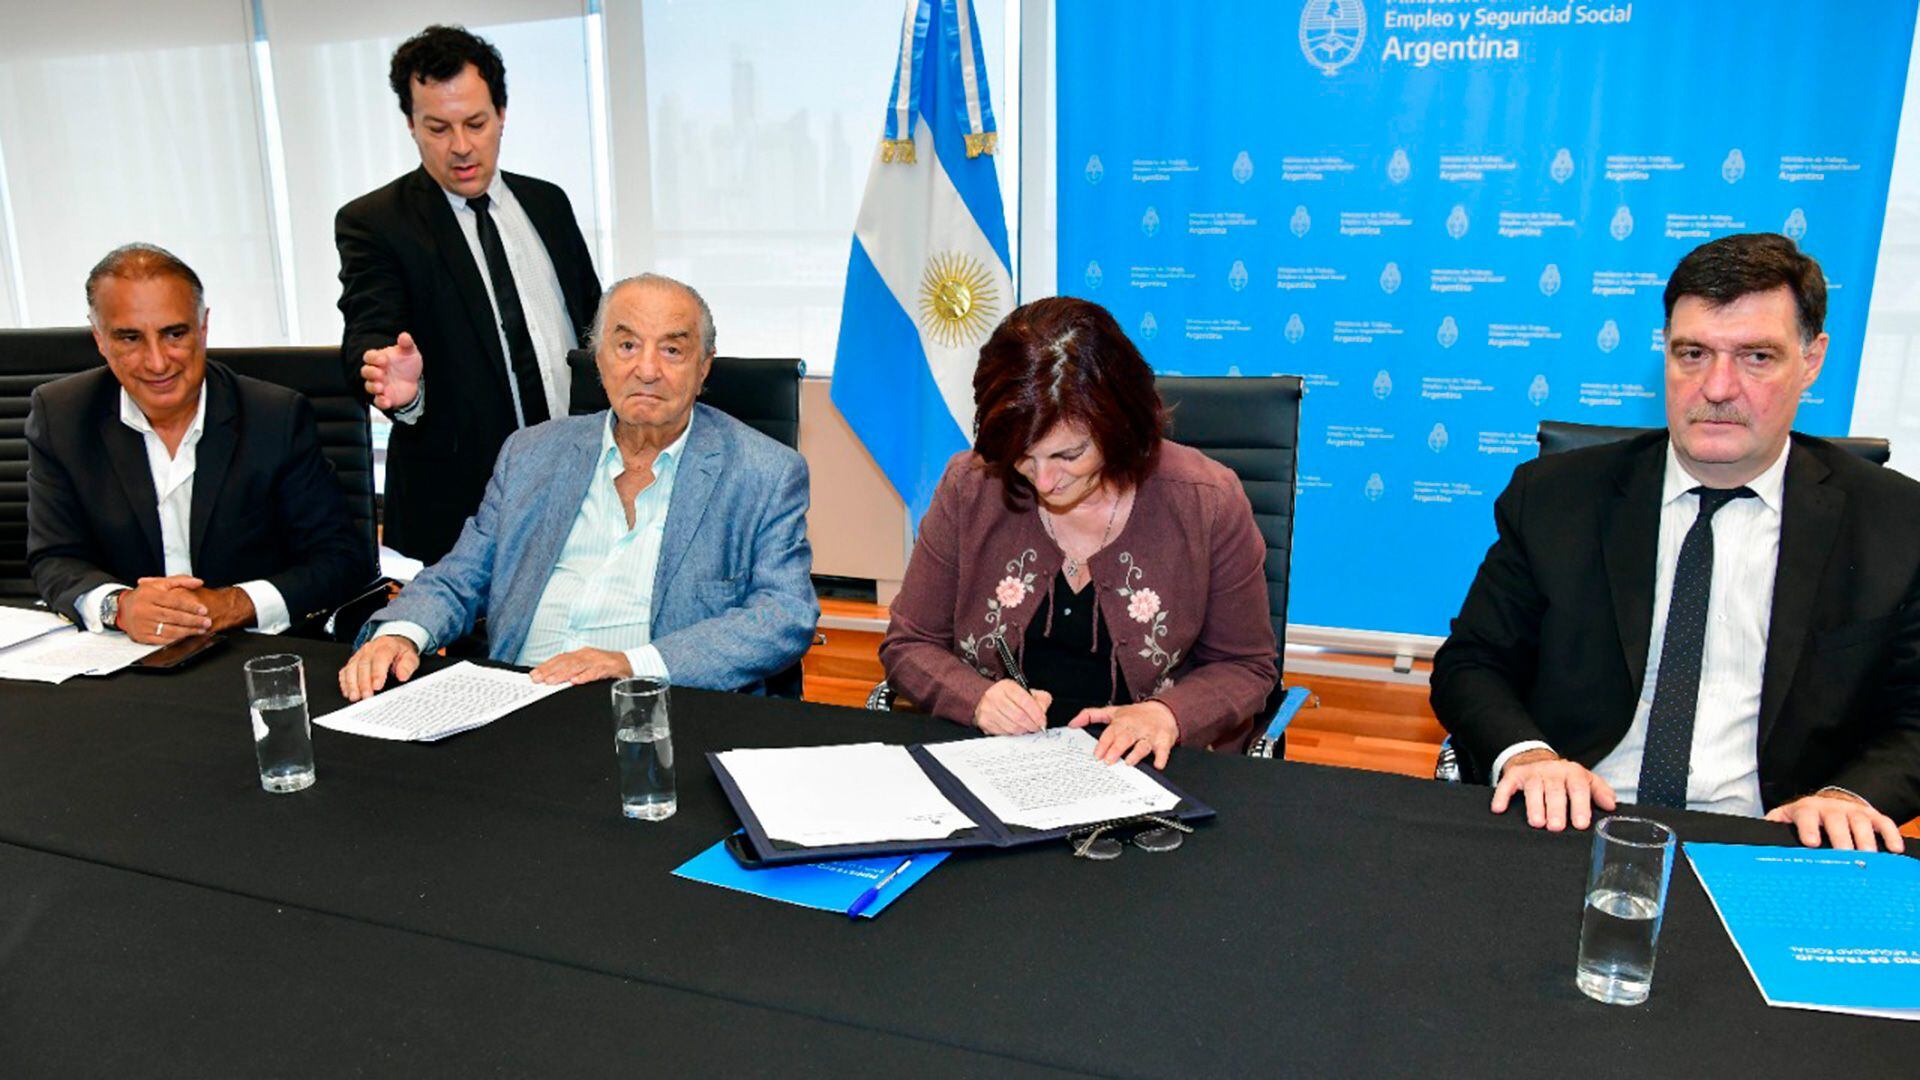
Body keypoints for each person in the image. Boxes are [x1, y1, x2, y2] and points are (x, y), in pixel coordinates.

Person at [1433, 232, 1920, 852]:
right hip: (1574, 820)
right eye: (1693, 353)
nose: (1716, 388)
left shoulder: (1896, 522)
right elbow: (1471, 663)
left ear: (1812, 360)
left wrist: (1850, 797)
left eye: (1756, 358)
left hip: (1770, 842)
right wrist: (1528, 756)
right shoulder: (1556, 496)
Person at [337, 273, 817, 698]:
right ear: (599, 358)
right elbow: (462, 575)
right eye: (627, 345)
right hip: (513, 697)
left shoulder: (764, 473)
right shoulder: (531, 454)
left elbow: (783, 615)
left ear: (704, 366)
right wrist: (402, 633)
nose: (647, 370)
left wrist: (632, 665)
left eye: (672, 349)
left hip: (655, 708)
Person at [881, 297, 1278, 768]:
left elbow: (1246, 667)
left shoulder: (1207, 500)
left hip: (1151, 771)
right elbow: (909, 644)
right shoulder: (971, 486)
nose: (1045, 481)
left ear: (1119, 426)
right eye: (1025, 457)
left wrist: (1167, 714)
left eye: (1068, 456)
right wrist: (976, 699)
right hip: (995, 763)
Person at [336, 24, 601, 563]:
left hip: (575, 486)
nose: (461, 147)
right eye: (437, 127)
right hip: (461, 508)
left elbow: (592, 325)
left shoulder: (547, 203)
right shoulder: (375, 222)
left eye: (476, 123)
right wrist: (398, 386)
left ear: (502, 113)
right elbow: (369, 329)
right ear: (410, 124)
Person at [26, 243, 374, 645]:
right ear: (100, 339)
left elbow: (340, 559)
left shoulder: (274, 416)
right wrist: (118, 606)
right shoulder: (62, 415)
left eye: (174, 334)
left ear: (203, 327)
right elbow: (54, 556)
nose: (157, 362)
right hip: (127, 653)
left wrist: (231, 603)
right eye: (130, 338)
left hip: (252, 646)